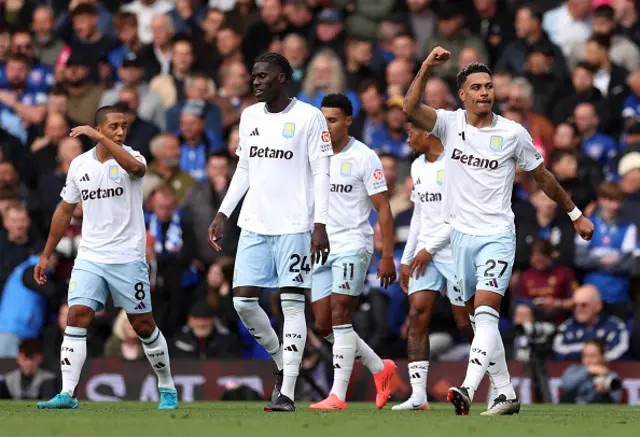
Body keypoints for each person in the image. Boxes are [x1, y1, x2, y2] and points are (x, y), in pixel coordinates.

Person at [403, 46, 594, 416]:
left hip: (497, 235)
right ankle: (505, 391)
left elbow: (543, 178)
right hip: (460, 238)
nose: (484, 92)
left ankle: (468, 388)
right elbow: (410, 109)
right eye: (476, 87)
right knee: (475, 319)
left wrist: (575, 214)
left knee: (487, 313)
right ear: (463, 95)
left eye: (488, 86)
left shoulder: (513, 133)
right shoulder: (449, 123)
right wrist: (425, 65)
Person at [207, 53, 332, 412]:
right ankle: (282, 362)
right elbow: (244, 167)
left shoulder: (309, 117)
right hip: (254, 224)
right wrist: (223, 212)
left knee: (291, 303)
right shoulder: (249, 117)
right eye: (253, 76)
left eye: (263, 76)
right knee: (243, 301)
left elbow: (322, 173)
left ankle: (288, 392)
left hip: (294, 225)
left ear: (282, 78)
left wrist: (319, 223)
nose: (256, 82)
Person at [33, 106, 178, 410]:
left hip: (128, 256)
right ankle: (68, 393)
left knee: (142, 325)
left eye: (124, 126)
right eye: (113, 127)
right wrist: (46, 254)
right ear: (99, 127)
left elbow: (137, 171)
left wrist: (101, 138)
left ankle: (167, 387)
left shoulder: (133, 157)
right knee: (76, 316)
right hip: (90, 256)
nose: (121, 132)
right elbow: (64, 210)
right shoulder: (79, 165)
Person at [308, 94, 397, 411]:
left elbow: (383, 208)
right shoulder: (312, 154)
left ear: (348, 120)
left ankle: (337, 396)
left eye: (332, 120)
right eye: (322, 120)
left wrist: (386, 255)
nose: (326, 126)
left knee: (340, 315)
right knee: (322, 325)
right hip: (319, 246)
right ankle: (379, 368)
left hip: (352, 244)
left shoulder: (364, 156)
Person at [393, 122, 479, 411]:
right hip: (424, 256)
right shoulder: (417, 166)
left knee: (465, 323)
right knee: (417, 315)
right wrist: (407, 258)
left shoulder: (455, 162)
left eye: (411, 133)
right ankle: (418, 396)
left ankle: (498, 380)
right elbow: (419, 215)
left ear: (428, 133)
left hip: (454, 254)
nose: (407, 140)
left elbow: (459, 214)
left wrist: (429, 249)